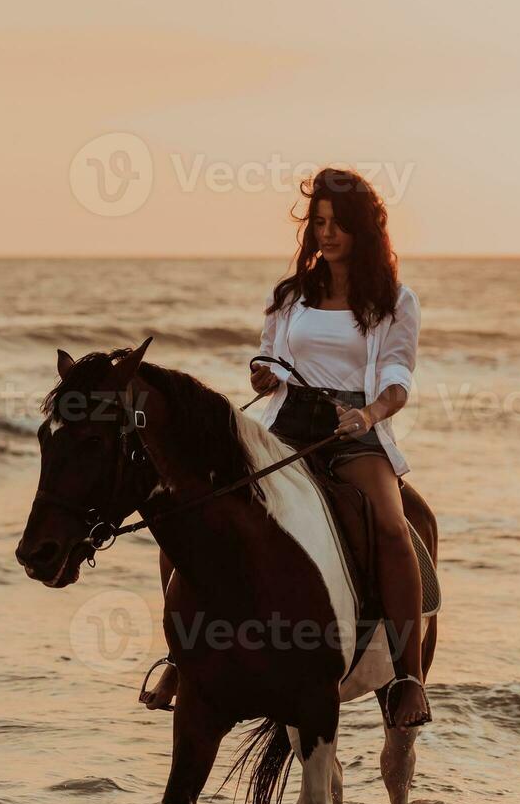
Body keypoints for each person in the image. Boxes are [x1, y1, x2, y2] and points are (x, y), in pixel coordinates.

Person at [141, 167, 428, 728]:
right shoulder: (291, 294)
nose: (326, 234)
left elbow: (398, 379)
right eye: (318, 222)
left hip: (352, 428)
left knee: (392, 524)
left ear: (362, 229)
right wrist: (263, 374)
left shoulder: (395, 299)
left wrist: (367, 414)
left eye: (338, 223)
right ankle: (182, 657)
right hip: (284, 424)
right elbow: (269, 354)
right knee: (191, 509)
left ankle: (407, 677)